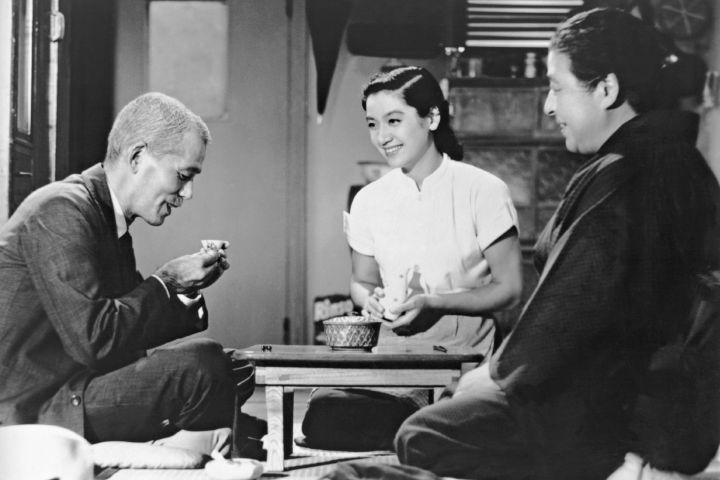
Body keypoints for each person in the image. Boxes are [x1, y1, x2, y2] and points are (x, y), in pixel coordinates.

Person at [391, 8, 720, 480]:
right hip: (667, 406)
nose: (548, 105)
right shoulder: (680, 163)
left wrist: (494, 374)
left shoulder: (626, 176)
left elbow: (570, 311)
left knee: (422, 435)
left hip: (616, 416)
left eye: (558, 87)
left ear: (606, 89)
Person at [0, 92, 263, 456]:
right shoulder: (61, 209)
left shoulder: (106, 216)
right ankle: (229, 447)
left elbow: (128, 333)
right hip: (37, 407)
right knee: (203, 365)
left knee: (229, 365)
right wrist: (166, 281)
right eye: (184, 176)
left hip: (75, 386)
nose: (188, 193)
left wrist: (184, 289)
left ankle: (222, 443)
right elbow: (96, 341)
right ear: (138, 157)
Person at [301, 66, 523, 451]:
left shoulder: (483, 190)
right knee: (323, 411)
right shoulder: (369, 199)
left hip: (462, 353)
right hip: (392, 352)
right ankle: (428, 426)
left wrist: (435, 304)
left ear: (431, 117)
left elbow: (510, 289)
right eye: (372, 124)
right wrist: (367, 299)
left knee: (480, 421)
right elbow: (362, 281)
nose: (381, 137)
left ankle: (438, 421)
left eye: (394, 121)